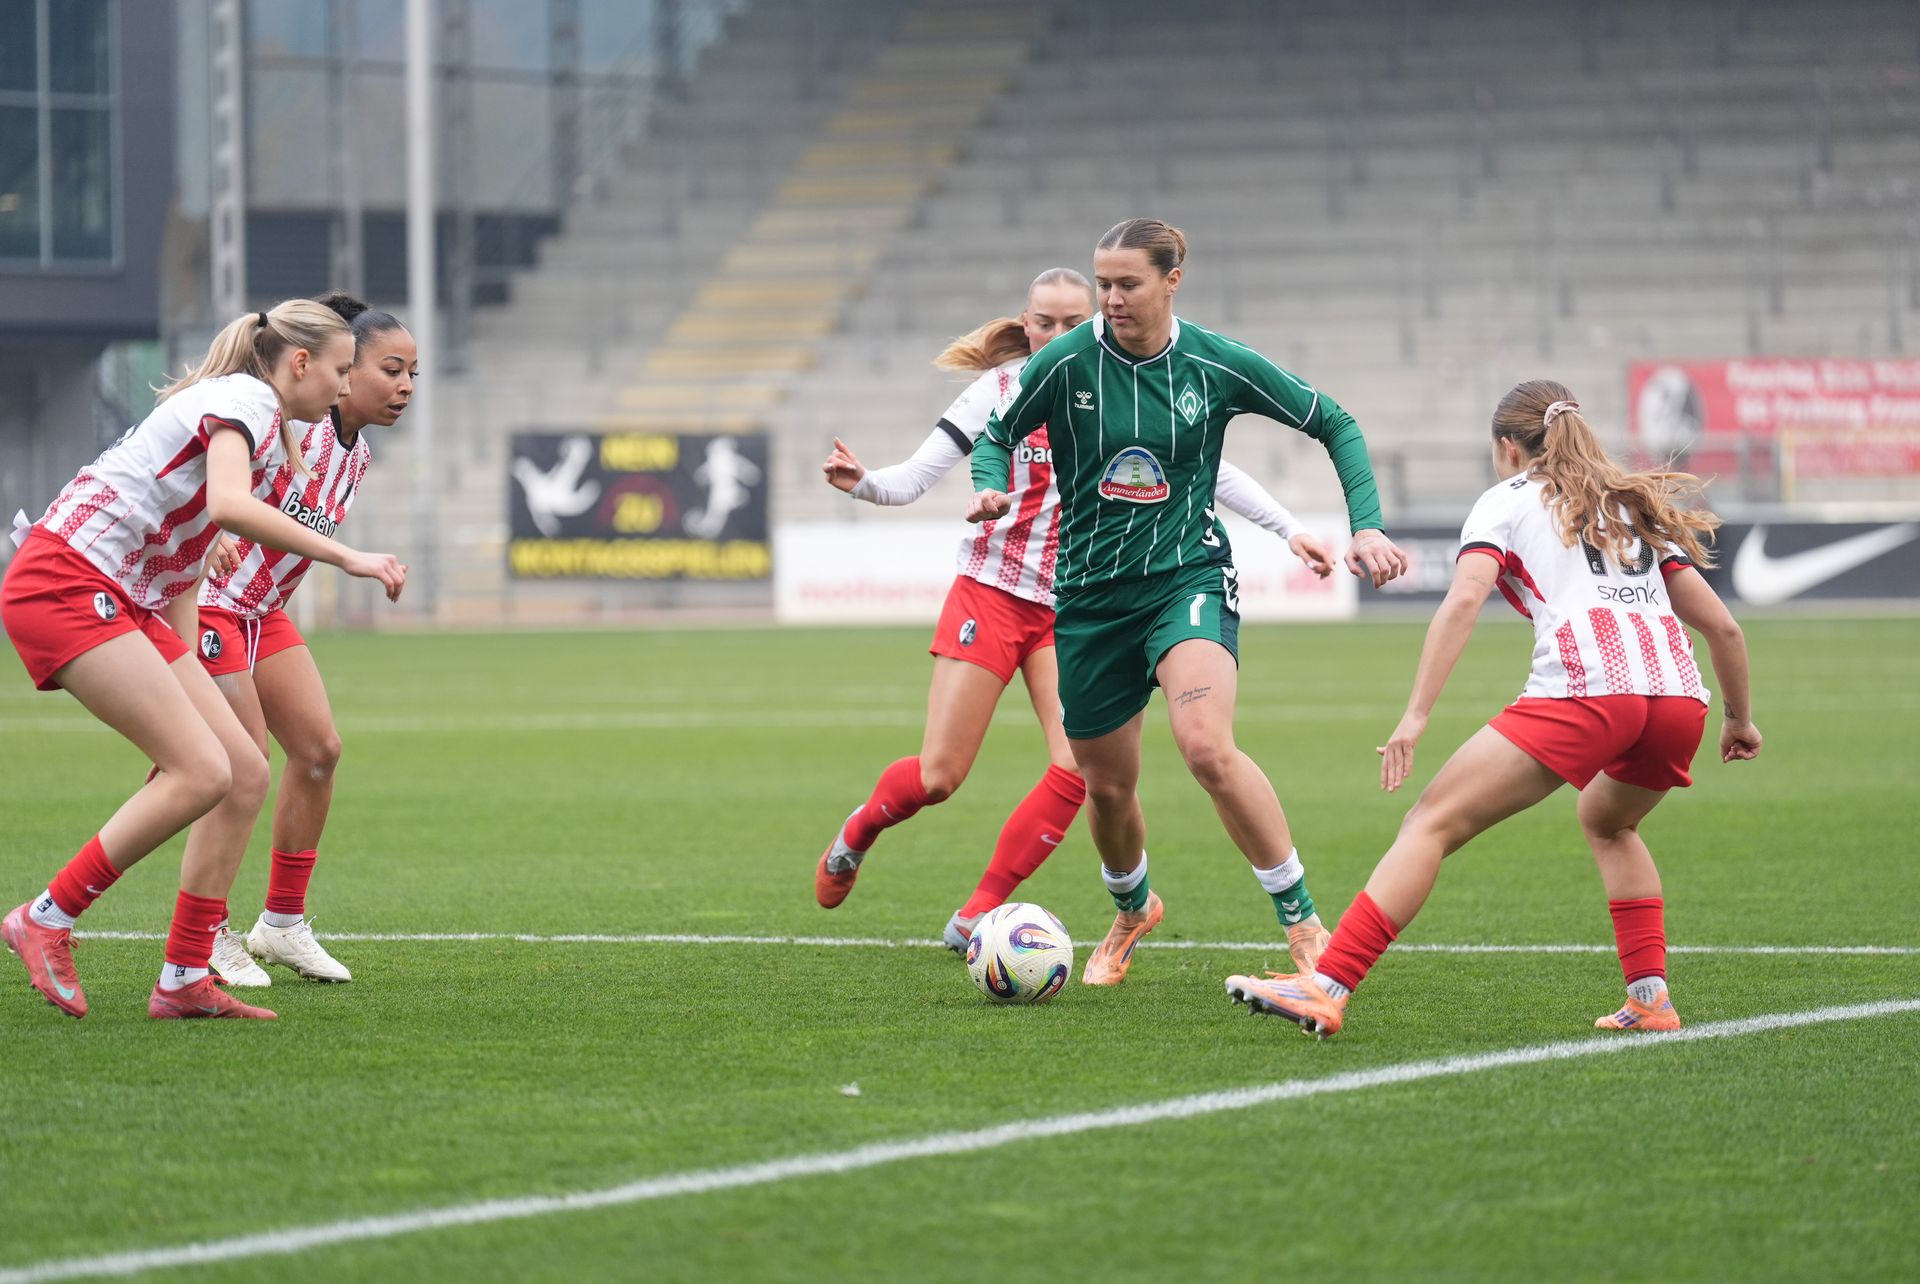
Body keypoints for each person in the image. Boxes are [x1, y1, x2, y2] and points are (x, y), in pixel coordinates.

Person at [815, 268, 1337, 951]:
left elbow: (1209, 470)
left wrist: (1289, 528)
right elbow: (913, 479)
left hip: (1072, 601)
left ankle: (980, 911)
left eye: (1071, 321)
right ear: (1024, 325)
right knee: (939, 776)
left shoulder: (1116, 378)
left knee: (1077, 767)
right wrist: (864, 483)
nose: (1058, 334)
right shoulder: (999, 390)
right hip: (991, 592)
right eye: (1044, 323)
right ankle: (858, 831)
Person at [1226, 380, 1761, 1037]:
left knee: (1429, 823)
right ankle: (1650, 999)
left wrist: (1416, 714)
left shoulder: (1506, 500)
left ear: (1508, 447)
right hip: (1678, 701)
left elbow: (1463, 601)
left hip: (1591, 690)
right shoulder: (1627, 503)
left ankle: (1326, 985)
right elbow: (1724, 628)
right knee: (1611, 822)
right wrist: (1739, 719)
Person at [966, 219, 1410, 986]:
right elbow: (996, 434)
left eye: (1127, 283)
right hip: (1090, 598)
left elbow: (1333, 421)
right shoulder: (1066, 363)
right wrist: (989, 487)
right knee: (1108, 787)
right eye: (1104, 283)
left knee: (1205, 745)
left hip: (1187, 578)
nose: (1111, 298)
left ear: (1172, 281)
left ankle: (1304, 925)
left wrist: (1364, 525)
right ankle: (1133, 909)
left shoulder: (1214, 362)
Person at [0, 301, 407, 1021]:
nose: (347, 386)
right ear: (301, 363)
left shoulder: (266, 426)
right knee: (204, 771)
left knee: (242, 771)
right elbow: (226, 508)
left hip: (129, 597)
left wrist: (186, 686)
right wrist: (349, 556)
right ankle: (45, 918)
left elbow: (187, 562)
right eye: (343, 370)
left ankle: (184, 977)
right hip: (66, 579)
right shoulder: (248, 400)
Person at [193, 290, 416, 987]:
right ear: (343, 368)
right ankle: (204, 932)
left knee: (318, 752)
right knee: (232, 772)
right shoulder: (285, 421)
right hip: (209, 608)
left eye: (412, 373)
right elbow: (212, 475)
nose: (405, 385)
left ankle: (282, 925)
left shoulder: (357, 457)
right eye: (390, 369)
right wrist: (208, 529)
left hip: (262, 614)